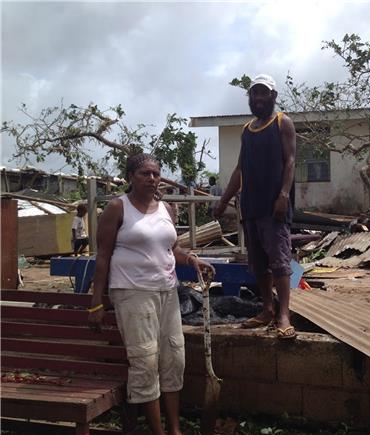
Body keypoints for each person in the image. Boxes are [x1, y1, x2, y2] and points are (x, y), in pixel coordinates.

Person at [88, 153, 214, 435]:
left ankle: (175, 428)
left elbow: (172, 249)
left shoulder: (166, 209)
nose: (152, 179)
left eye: (156, 173)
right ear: (130, 177)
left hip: (167, 292)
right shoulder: (117, 208)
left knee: (174, 358)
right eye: (145, 173)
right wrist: (96, 302)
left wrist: (192, 259)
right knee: (145, 361)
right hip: (132, 293)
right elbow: (103, 257)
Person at [213, 73, 297, 340]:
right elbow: (240, 168)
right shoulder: (247, 130)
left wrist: (284, 194)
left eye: (263, 93)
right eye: (254, 94)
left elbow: (291, 160)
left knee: (280, 263)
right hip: (251, 207)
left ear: (273, 96)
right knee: (259, 265)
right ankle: (267, 310)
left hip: (274, 207)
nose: (258, 98)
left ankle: (284, 314)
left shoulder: (282, 122)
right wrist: (224, 200)